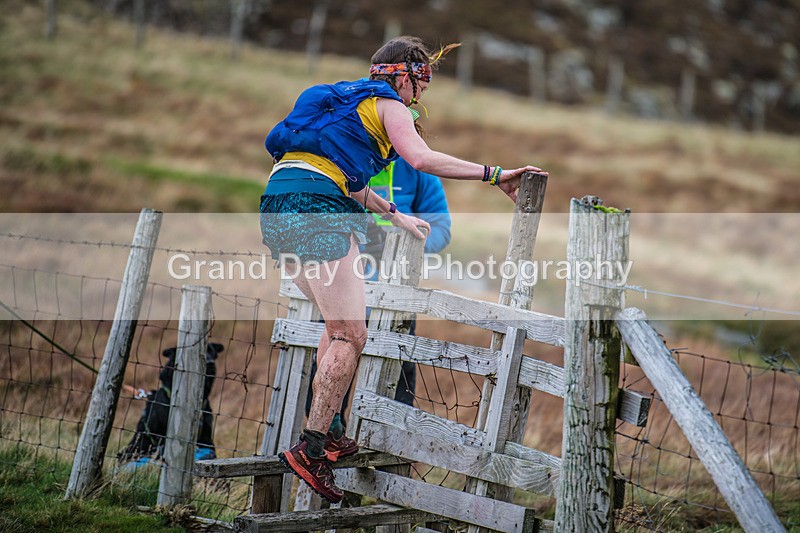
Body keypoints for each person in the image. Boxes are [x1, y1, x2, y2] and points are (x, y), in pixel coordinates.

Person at [260, 35, 547, 503]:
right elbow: (421, 158)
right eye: (423, 82)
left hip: (278, 202)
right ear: (404, 74)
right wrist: (496, 175)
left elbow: (329, 172)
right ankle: (311, 450)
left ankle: (328, 427)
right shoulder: (388, 102)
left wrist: (394, 214)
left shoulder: (336, 101)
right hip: (318, 208)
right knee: (353, 335)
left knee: (334, 329)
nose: (422, 95)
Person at [303, 156, 452, 430]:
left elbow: (441, 229)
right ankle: (325, 445)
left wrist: (393, 242)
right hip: (339, 293)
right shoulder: (344, 157)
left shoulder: (418, 171)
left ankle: (387, 455)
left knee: (396, 395)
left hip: (395, 300)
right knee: (325, 388)